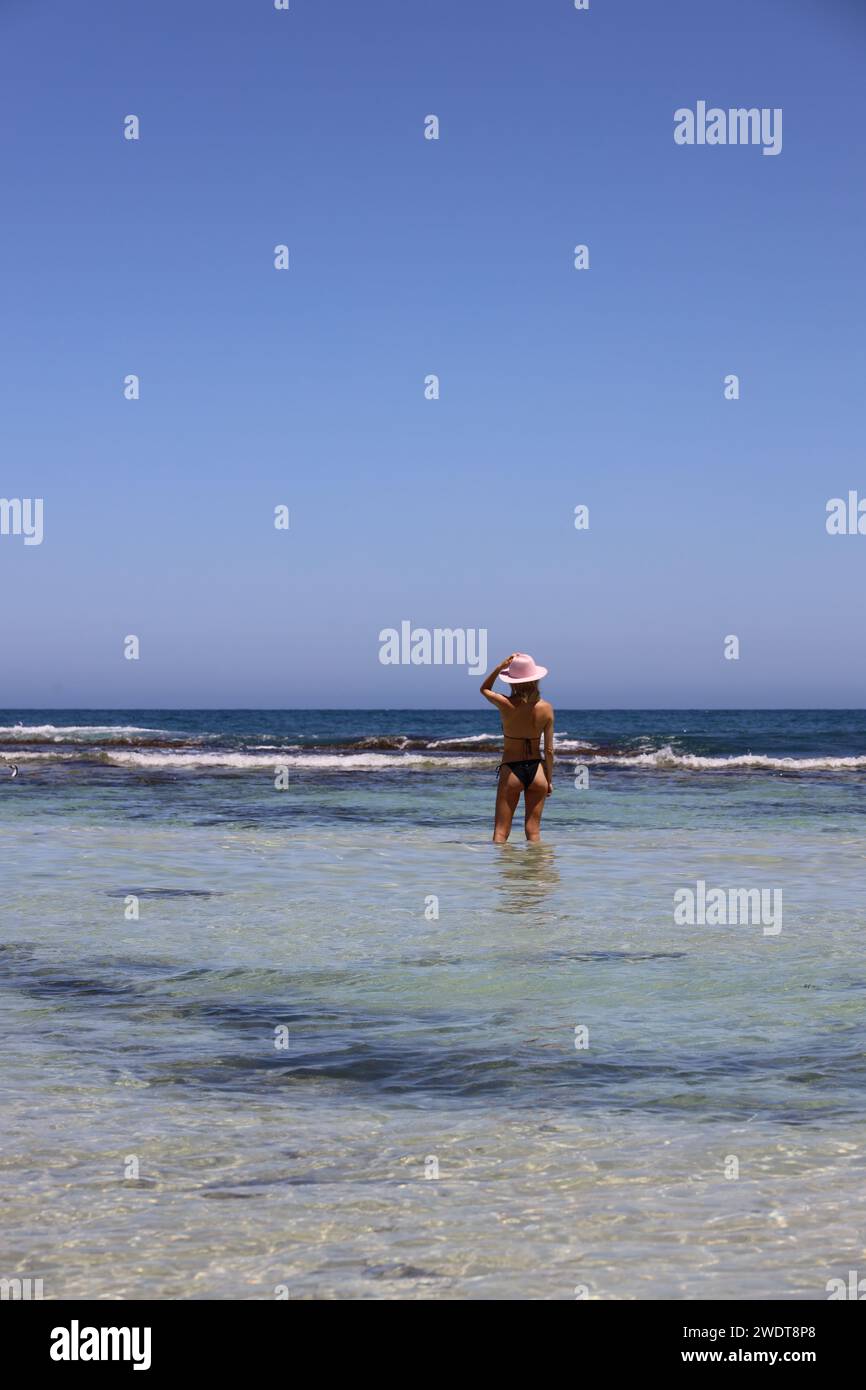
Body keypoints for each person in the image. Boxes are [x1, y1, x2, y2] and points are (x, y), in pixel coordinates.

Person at [480, 653, 554, 843]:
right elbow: (549, 750)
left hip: (512, 770)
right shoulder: (546, 708)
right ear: (536, 680)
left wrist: (500, 667)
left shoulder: (506, 704)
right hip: (537, 772)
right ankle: (537, 871)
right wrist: (549, 780)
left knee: (501, 832)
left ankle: (503, 871)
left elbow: (484, 689)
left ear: (512, 682)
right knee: (534, 832)